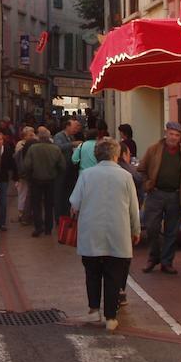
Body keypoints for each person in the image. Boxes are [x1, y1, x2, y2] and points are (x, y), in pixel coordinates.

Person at [70, 138, 140, 332]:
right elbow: (134, 207)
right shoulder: (125, 176)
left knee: (92, 272)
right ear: (116, 154)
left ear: (96, 155)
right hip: (118, 231)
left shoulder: (86, 175)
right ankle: (111, 317)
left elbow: (75, 203)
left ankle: (94, 310)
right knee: (113, 275)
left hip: (91, 231)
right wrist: (136, 229)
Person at [139, 121, 181, 275]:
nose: (173, 137)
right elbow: (141, 169)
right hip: (155, 194)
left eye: (177, 135)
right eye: (171, 134)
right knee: (151, 227)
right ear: (166, 133)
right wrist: (147, 184)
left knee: (172, 231)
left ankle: (167, 262)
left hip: (175, 195)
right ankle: (153, 257)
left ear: (180, 137)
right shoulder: (153, 150)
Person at [23, 127, 65, 237]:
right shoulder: (55, 149)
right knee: (49, 205)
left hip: (36, 180)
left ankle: (38, 227)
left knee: (36, 205)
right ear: (49, 137)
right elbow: (62, 165)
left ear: (39, 137)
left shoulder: (33, 148)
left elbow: (27, 165)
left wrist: (30, 176)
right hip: (51, 180)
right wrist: (56, 173)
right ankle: (48, 228)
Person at [53, 116, 82, 218]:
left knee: (67, 191)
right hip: (61, 168)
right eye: (73, 127)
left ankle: (66, 212)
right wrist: (72, 144)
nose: (75, 129)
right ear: (67, 126)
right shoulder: (59, 136)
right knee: (59, 191)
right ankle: (58, 215)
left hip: (69, 168)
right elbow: (57, 147)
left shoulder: (71, 137)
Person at [14, 126, 37, 225]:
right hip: (22, 175)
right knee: (23, 193)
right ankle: (21, 213)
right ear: (25, 136)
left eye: (33, 134)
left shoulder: (32, 144)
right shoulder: (21, 145)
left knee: (27, 193)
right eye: (30, 135)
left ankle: (26, 213)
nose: (32, 136)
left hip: (28, 174)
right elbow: (19, 160)